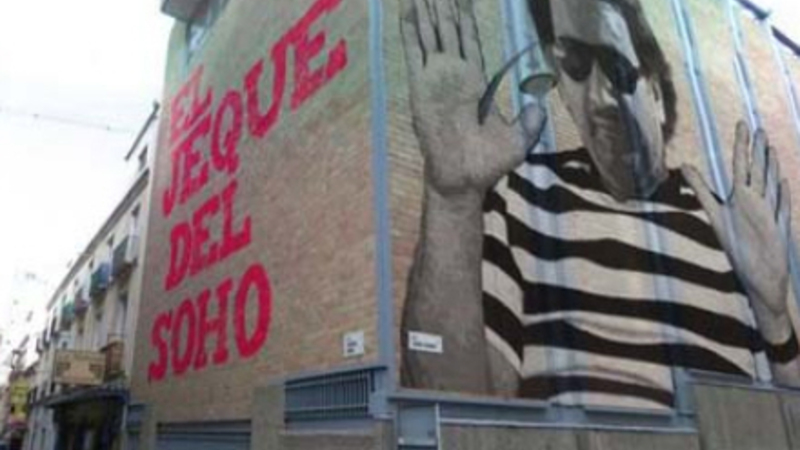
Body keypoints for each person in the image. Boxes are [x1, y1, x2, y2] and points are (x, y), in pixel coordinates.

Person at [399, 0, 800, 409]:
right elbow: (455, 405)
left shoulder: (730, 229)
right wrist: (452, 202)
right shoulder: (519, 195)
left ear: (655, 89)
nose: (600, 96)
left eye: (615, 65)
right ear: (563, 93)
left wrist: (774, 316)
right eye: (575, 64)